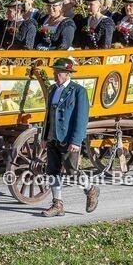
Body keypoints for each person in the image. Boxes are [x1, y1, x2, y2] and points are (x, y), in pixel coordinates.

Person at [40, 57, 98, 217]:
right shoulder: (52, 89)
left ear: (67, 74)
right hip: (52, 136)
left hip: (68, 138)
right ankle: (57, 204)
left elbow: (81, 118)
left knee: (72, 171)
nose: (55, 75)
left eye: (58, 72)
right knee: (52, 170)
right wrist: (44, 136)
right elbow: (48, 115)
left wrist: (76, 141)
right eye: (54, 72)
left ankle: (91, 190)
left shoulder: (79, 91)